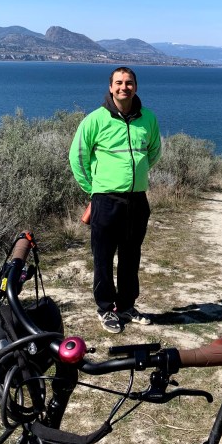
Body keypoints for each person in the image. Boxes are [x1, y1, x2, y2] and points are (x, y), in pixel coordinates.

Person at [69, 67, 162, 333]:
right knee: (103, 258)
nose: (124, 87)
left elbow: (154, 151)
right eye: (119, 83)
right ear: (110, 87)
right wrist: (94, 189)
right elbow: (77, 158)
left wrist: (136, 175)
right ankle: (105, 308)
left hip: (137, 201)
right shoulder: (95, 120)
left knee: (131, 257)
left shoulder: (148, 118)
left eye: (129, 82)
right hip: (105, 201)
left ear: (136, 86)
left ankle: (126, 306)